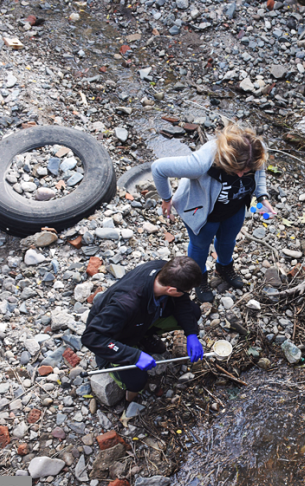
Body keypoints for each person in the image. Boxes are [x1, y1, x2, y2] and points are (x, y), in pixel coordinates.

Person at [152, 122, 276, 303]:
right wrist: (166, 198)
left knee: (228, 240)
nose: (241, 176)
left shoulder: (255, 151)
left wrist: (262, 196)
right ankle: (199, 278)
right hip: (203, 213)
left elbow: (259, 171)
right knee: (200, 246)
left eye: (246, 171)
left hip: (235, 207)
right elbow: (158, 168)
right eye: (237, 170)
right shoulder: (201, 162)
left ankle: (224, 267)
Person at [81, 256, 204, 402]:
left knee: (193, 313)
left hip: (140, 320)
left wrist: (191, 333)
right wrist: (134, 356)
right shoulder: (125, 304)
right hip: (115, 336)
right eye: (185, 291)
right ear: (171, 290)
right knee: (137, 380)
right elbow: (92, 337)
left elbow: (182, 300)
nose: (186, 294)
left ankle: (144, 337)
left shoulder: (167, 269)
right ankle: (128, 397)